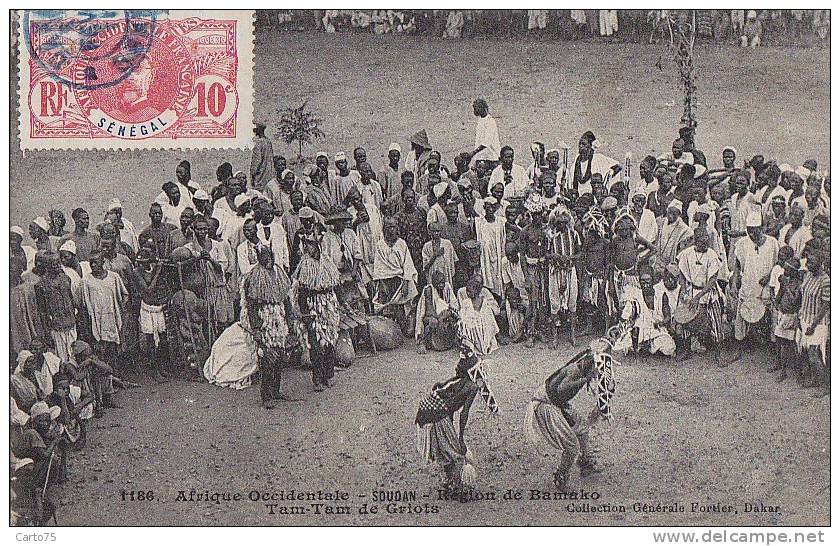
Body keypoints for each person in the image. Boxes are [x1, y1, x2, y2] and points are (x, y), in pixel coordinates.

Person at [524, 338, 613, 491]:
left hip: (556, 403)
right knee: (572, 446)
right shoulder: (575, 371)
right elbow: (561, 390)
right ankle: (561, 477)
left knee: (582, 428)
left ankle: (586, 463)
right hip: (547, 404)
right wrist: (585, 379)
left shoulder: (582, 366)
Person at [415, 344, 498, 499]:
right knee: (455, 452)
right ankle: (458, 486)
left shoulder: (456, 380)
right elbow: (463, 414)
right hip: (436, 413)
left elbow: (445, 398)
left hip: (426, 409)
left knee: (446, 450)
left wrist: (451, 430)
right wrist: (460, 439)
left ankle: (450, 481)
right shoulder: (472, 387)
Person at [243, 246, 297, 407]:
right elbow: (251, 306)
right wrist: (257, 328)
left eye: (271, 258)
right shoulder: (254, 277)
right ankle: (266, 396)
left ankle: (276, 390)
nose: (269, 261)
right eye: (265, 258)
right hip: (264, 319)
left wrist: (289, 320)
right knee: (267, 359)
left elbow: (286, 299)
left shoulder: (279, 273)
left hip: (279, 319)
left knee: (280, 357)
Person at [291, 229, 341, 392]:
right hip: (313, 306)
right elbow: (301, 293)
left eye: (311, 245)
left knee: (330, 342)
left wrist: (338, 304)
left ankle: (329, 374)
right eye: (306, 245)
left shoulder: (327, 261)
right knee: (316, 344)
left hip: (328, 305)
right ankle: (317, 378)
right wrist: (305, 314)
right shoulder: (305, 265)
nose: (308, 249)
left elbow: (335, 285)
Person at [730, 210, 779, 357]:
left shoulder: (772, 243)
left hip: (766, 287)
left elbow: (778, 264)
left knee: (770, 315)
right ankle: (740, 345)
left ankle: (772, 345)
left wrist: (769, 275)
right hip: (748, 284)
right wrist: (733, 285)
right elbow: (737, 268)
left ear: (761, 228)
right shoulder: (742, 244)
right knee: (742, 315)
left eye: (755, 231)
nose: (751, 235)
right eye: (749, 231)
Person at [676, 227, 725, 367]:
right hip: (692, 291)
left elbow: (712, 281)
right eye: (702, 242)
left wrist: (698, 296)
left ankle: (719, 355)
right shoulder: (686, 254)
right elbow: (681, 271)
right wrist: (685, 289)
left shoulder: (712, 255)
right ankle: (686, 350)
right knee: (685, 321)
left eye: (707, 242)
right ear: (696, 241)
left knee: (716, 322)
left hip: (708, 293)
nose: (706, 245)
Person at [81, 251, 129, 371]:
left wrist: (121, 307)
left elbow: (125, 294)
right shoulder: (86, 281)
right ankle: (104, 375)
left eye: (95, 263)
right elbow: (84, 302)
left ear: (103, 262)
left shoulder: (114, 277)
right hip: (97, 319)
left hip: (112, 316)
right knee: (100, 346)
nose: (93, 266)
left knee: (114, 345)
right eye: (91, 263)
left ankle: (115, 373)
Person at [371, 218, 419, 332]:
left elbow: (407, 264)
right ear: (384, 229)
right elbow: (379, 267)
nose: (391, 230)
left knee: (409, 295)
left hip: (400, 278)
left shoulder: (401, 243)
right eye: (389, 227)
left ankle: (406, 324)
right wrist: (382, 283)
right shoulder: (380, 245)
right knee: (381, 301)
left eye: (393, 227)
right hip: (385, 279)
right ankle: (387, 327)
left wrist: (406, 283)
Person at [132, 242, 169, 382]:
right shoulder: (136, 272)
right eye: (139, 262)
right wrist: (158, 272)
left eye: (144, 262)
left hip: (158, 308)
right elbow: (147, 290)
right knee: (150, 340)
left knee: (162, 337)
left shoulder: (154, 267)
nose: (142, 265)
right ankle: (154, 370)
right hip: (147, 308)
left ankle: (161, 367)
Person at [798, 238, 830, 397]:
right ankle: (815, 379)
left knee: (814, 355)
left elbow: (825, 306)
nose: (808, 264)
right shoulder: (808, 275)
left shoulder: (825, 281)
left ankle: (825, 386)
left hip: (818, 323)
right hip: (805, 319)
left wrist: (813, 325)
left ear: (820, 261)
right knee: (807, 352)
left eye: (811, 261)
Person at [546, 205, 580, 348]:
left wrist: (570, 257)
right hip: (555, 271)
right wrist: (554, 256)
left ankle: (572, 334)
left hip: (570, 271)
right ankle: (555, 337)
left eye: (564, 222)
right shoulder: (550, 234)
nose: (562, 225)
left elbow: (580, 253)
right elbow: (545, 254)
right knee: (555, 304)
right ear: (555, 221)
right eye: (559, 222)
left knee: (572, 302)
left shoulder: (574, 234)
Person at [34, 252, 77, 362]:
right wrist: (47, 333)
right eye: (54, 264)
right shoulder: (41, 285)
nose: (59, 265)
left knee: (74, 356)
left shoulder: (66, 278)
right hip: (57, 328)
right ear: (47, 266)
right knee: (62, 359)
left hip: (71, 324)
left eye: (59, 263)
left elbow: (71, 300)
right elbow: (42, 312)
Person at [770, 255, 801, 383]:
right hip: (783, 315)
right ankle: (782, 369)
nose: (784, 271)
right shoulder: (786, 282)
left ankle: (796, 372)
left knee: (791, 345)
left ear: (793, 272)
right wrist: (777, 305)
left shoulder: (798, 284)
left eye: (787, 270)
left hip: (792, 316)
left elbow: (794, 301)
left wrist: (786, 285)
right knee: (780, 342)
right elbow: (779, 295)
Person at [455, 273, 500, 356]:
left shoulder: (484, 301)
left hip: (482, 327)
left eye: (470, 291)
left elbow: (489, 318)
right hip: (470, 326)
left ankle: (484, 344)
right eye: (467, 291)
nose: (467, 293)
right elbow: (462, 316)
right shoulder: (466, 302)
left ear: (477, 291)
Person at [415, 270, 458, 353]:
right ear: (433, 282)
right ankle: (423, 342)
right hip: (431, 316)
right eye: (439, 283)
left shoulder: (447, 287)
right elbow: (429, 311)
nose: (442, 285)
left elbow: (453, 303)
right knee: (433, 321)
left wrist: (449, 313)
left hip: (444, 314)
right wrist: (441, 317)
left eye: (443, 282)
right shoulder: (428, 290)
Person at [570, 131, 620, 195]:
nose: (581, 146)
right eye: (580, 144)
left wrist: (611, 171)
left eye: (584, 144)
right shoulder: (576, 162)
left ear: (590, 146)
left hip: (594, 197)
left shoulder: (597, 158)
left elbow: (618, 166)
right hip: (579, 198)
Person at [475, 199, 506, 299]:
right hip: (485, 258)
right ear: (484, 208)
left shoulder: (501, 222)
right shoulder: (479, 222)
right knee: (487, 278)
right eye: (488, 207)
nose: (490, 210)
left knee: (499, 279)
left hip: (498, 257)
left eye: (493, 207)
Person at [650, 199, 691, 274]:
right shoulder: (660, 222)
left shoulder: (684, 229)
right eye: (670, 212)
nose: (671, 214)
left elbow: (688, 239)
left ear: (679, 214)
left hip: (671, 263)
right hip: (657, 259)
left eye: (674, 213)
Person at [422, 221, 458, 289]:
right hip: (433, 274)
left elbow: (454, 260)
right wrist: (435, 255)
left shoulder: (447, 243)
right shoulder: (426, 246)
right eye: (433, 231)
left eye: (438, 231)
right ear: (429, 232)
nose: (436, 233)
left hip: (446, 274)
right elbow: (426, 267)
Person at [468, 98, 501, 172]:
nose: (475, 111)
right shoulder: (480, 120)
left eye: (476, 108)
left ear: (482, 108)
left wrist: (473, 152)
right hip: (481, 157)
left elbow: (487, 142)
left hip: (491, 158)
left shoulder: (490, 121)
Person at [250, 122, 275, 191]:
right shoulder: (268, 142)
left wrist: (252, 175)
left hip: (261, 176)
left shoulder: (259, 143)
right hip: (269, 175)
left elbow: (256, 161)